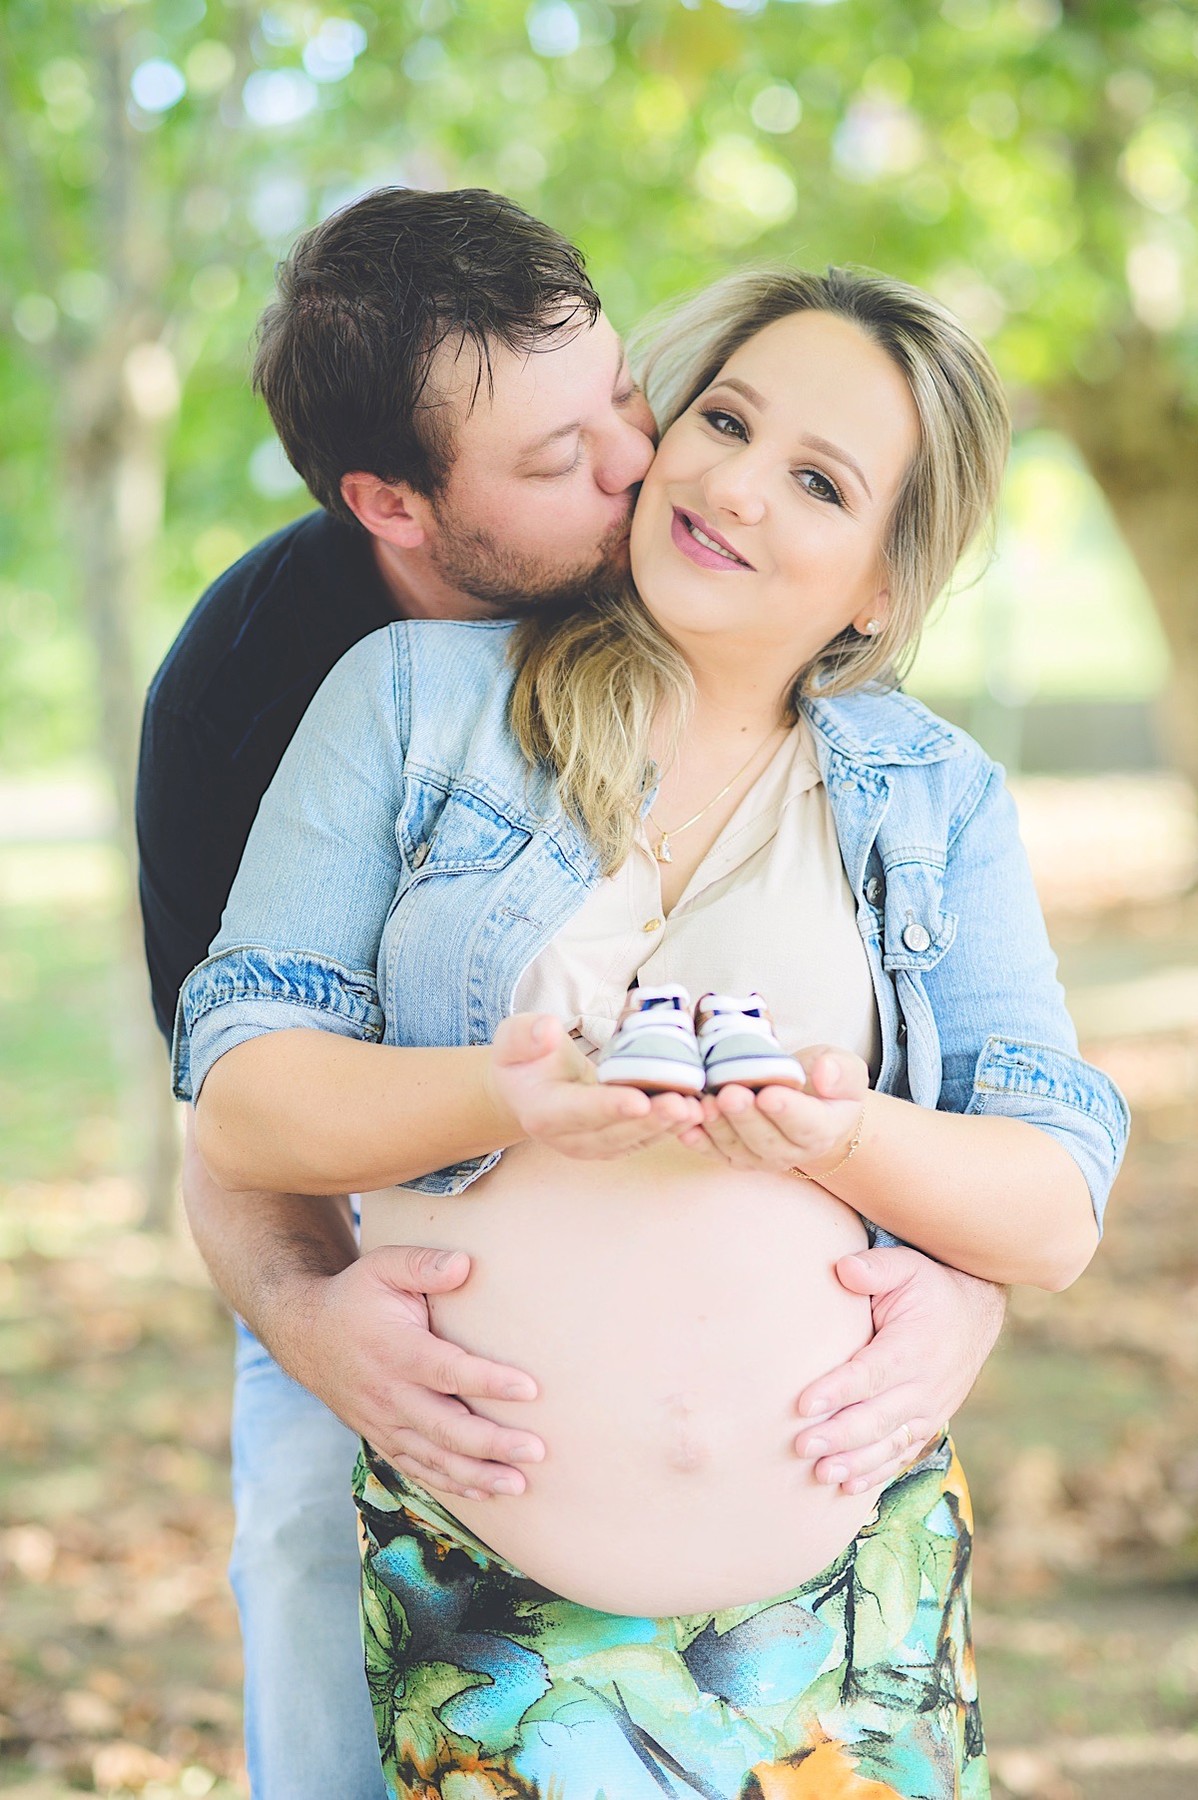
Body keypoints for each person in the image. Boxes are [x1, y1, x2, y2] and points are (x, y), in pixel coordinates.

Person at [171, 263, 1128, 1797]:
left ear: (877, 581)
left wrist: (843, 1134)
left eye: (816, 480)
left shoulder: (936, 796)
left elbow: (1053, 1202)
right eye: (726, 419)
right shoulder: (412, 703)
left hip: (843, 1621)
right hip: (495, 1625)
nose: (737, 487)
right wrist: (510, 1093)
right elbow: (246, 1101)